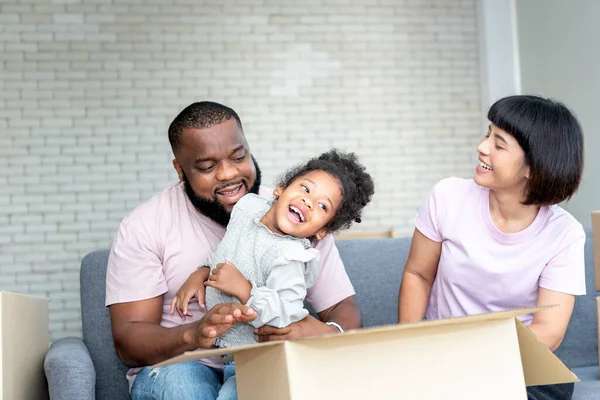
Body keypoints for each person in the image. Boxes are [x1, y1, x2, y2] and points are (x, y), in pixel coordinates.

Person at [106, 102, 363, 400]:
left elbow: (344, 310)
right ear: (180, 169)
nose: (228, 175)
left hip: (260, 358)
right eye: (207, 167)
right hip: (180, 364)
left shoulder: (297, 215)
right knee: (185, 389)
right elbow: (128, 341)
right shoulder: (144, 225)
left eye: (238, 156)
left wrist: (318, 332)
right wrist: (194, 333)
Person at [398, 95, 585, 400]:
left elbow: (549, 331)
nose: (482, 147)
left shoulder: (564, 234)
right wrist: (408, 346)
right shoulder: (447, 196)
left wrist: (476, 358)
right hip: (440, 351)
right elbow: (418, 275)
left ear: (533, 169)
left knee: (554, 387)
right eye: (488, 135)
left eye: (499, 144)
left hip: (510, 359)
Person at [170, 149, 374, 399]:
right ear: (281, 189)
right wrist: (201, 272)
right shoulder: (247, 207)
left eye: (322, 206)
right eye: (306, 189)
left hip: (264, 358)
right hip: (231, 354)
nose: (308, 202)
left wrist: (245, 290)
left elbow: (287, 316)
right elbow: (227, 250)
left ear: (322, 231)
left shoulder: (291, 258)